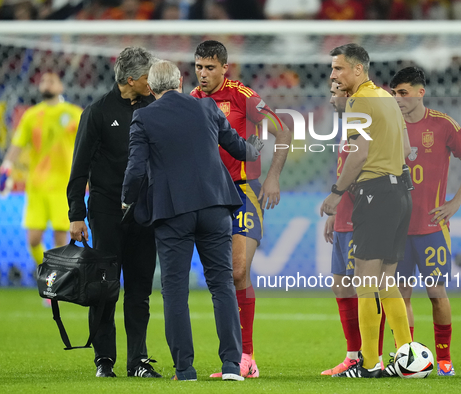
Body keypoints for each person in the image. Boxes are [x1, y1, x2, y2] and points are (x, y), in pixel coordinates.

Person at [121, 60, 263, 381]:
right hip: (216, 205)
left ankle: (184, 369)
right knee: (222, 284)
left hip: (173, 211)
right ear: (181, 82)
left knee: (174, 290)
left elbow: (135, 168)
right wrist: (254, 151)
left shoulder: (143, 116)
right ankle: (231, 366)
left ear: (152, 88)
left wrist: (126, 199)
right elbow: (237, 148)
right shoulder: (208, 107)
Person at [190, 40, 292, 378]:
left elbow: (283, 130)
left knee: (235, 271)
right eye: (198, 67)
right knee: (228, 276)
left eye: (209, 68)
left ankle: (245, 355)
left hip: (243, 190)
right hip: (208, 195)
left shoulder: (242, 96)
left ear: (224, 67)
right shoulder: (192, 100)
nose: (202, 74)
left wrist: (273, 177)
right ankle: (239, 359)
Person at [66, 47, 161, 379]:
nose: (152, 82)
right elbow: (78, 169)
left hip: (144, 213)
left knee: (139, 289)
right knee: (105, 289)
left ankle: (138, 361)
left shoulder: (154, 108)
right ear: (131, 79)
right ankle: (104, 359)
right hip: (105, 212)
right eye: (148, 76)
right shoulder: (98, 112)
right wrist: (76, 214)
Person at [320, 43, 412, 378]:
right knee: (387, 283)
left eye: (339, 68)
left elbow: (358, 154)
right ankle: (407, 357)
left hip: (374, 194)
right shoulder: (387, 98)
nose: (333, 75)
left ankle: (370, 363)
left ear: (359, 69)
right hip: (399, 193)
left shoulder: (360, 100)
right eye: (332, 69)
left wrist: (336, 194)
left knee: (366, 284)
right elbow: (406, 149)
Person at [390, 66, 461, 376]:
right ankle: (407, 357)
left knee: (436, 294)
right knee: (400, 296)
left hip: (432, 228)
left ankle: (443, 359)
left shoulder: (443, 125)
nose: (398, 99)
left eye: (403, 93)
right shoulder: (391, 126)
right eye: (394, 94)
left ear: (420, 92)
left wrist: (455, 202)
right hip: (397, 228)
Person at [321, 82, 386, 376]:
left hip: (364, 213)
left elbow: (363, 165)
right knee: (341, 283)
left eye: (334, 92)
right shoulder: (347, 126)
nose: (330, 97)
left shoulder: (361, 122)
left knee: (366, 286)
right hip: (345, 213)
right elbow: (343, 168)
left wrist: (340, 199)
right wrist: (337, 212)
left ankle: (373, 356)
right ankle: (353, 355)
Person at [0, 72, 81, 266]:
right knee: (33, 239)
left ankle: (56, 286)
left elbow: (88, 144)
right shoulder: (31, 115)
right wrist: (6, 167)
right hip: (37, 184)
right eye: (43, 80)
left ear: (61, 87)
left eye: (52, 80)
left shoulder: (74, 114)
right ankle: (47, 274)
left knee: (61, 238)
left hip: (64, 185)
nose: (46, 84)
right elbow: (17, 145)